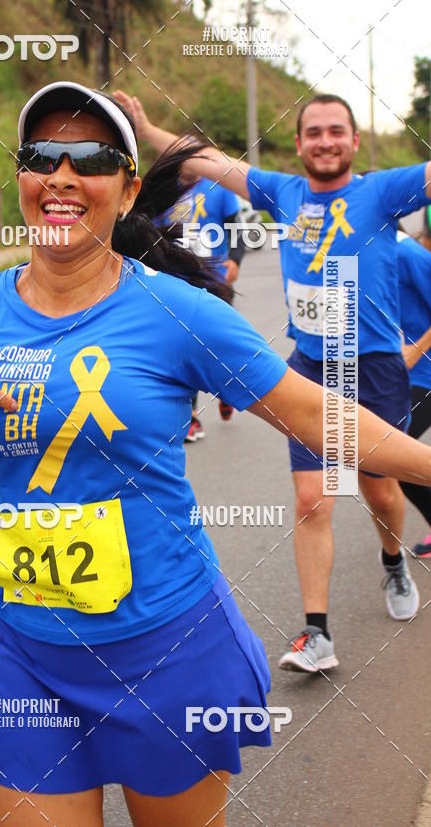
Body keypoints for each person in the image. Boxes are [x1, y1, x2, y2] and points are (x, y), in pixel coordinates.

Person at [0, 82, 431, 826]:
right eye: (41, 155)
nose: (61, 173)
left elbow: (317, 415)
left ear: (126, 189)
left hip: (165, 651)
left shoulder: (174, 313)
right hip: (17, 650)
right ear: (19, 176)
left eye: (89, 158)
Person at [114, 89, 431, 673]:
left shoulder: (382, 190)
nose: (326, 141)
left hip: (376, 368)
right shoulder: (283, 191)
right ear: (299, 143)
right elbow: (203, 160)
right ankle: (317, 635)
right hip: (311, 366)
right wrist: (147, 127)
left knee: (379, 489)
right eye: (314, 131)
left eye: (337, 131)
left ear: (355, 141)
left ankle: (392, 559)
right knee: (312, 500)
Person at [157, 174, 245, 440]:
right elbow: (152, 236)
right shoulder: (165, 192)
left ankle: (226, 389)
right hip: (180, 282)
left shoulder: (220, 189)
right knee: (185, 344)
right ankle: (191, 416)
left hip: (216, 279)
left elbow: (236, 230)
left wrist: (235, 260)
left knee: (220, 344)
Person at [396, 230, 431, 557]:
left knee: (394, 451)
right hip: (397, 375)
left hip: (426, 373)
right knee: (393, 455)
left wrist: (416, 351)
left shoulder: (409, 254)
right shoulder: (365, 251)